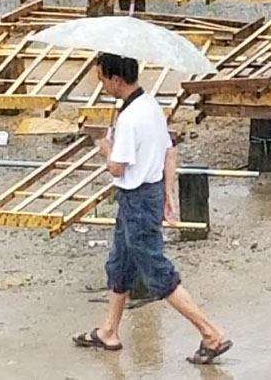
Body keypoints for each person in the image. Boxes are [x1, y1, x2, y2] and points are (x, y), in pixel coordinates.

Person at [73, 52, 232, 366]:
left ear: (116, 79)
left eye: (102, 78)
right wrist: (167, 192)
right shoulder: (150, 106)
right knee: (119, 263)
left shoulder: (130, 119)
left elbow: (117, 168)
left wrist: (106, 149)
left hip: (137, 198)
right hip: (147, 192)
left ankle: (211, 333)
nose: (101, 85)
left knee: (157, 272)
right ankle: (109, 330)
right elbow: (169, 152)